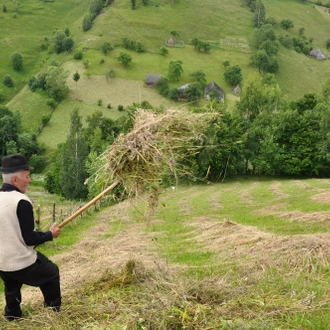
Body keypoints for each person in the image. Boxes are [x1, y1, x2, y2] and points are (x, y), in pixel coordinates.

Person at [0, 153, 61, 321]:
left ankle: (12, 314)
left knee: (11, 284)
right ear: (15, 180)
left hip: (2, 263)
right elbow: (29, 239)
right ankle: (53, 309)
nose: (30, 180)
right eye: (27, 177)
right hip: (20, 261)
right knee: (51, 272)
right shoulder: (21, 201)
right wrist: (50, 234)